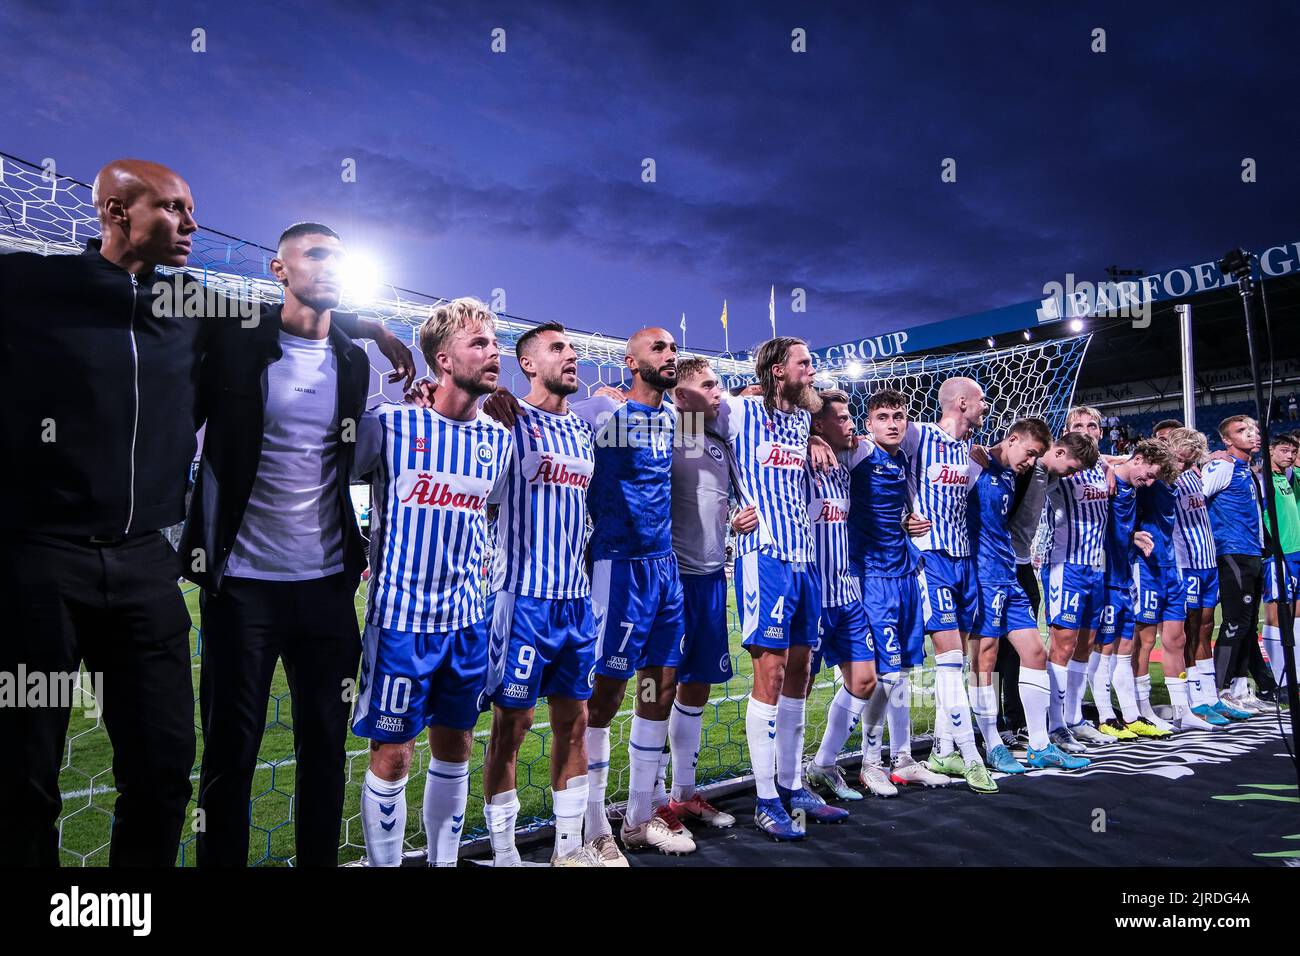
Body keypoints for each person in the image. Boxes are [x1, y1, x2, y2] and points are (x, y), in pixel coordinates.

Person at [0, 159, 411, 867]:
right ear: (115, 211)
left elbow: (291, 316)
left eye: (193, 209)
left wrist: (365, 322)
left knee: (164, 769)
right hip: (43, 557)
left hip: (145, 564)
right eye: (173, 208)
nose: (193, 224)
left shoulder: (194, 306)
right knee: (25, 773)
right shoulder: (34, 285)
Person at [186, 222, 372, 867]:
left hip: (326, 588)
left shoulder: (352, 359)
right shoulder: (234, 342)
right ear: (277, 269)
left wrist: (369, 331)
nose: (331, 266)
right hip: (243, 585)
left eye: (339, 258)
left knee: (325, 749)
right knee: (230, 753)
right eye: (315, 254)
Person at [351, 298, 513, 868]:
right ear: (443, 359)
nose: (494, 353)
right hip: (402, 622)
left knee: (457, 746)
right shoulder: (389, 425)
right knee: (392, 755)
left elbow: (488, 514)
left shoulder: (499, 438)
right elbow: (327, 480)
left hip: (469, 621)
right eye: (479, 344)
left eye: (495, 344)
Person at [476, 322, 603, 867]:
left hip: (576, 601)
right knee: (513, 724)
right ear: (526, 364)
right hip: (521, 599)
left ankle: (568, 852)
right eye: (558, 349)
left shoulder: (582, 430)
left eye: (573, 350)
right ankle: (505, 856)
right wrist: (490, 398)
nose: (571, 357)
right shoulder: (505, 421)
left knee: (574, 722)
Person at [712, 337, 848, 837]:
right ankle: (765, 799)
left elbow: (827, 421)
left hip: (805, 559)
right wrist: (728, 511)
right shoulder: (737, 411)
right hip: (763, 558)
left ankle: (791, 786)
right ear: (776, 371)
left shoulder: (801, 421)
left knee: (801, 670)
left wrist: (815, 435)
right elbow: (684, 437)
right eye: (805, 364)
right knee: (768, 675)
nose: (813, 371)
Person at [838, 389, 950, 793]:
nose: (893, 423)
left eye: (899, 416)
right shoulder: (860, 452)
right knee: (884, 676)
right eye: (883, 416)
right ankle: (870, 763)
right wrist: (819, 438)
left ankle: (903, 759)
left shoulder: (902, 456)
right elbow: (830, 444)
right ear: (869, 423)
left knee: (902, 673)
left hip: (905, 574)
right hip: (871, 578)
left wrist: (908, 522)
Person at [968, 418, 1090, 771]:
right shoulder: (981, 463)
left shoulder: (1015, 471)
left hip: (1012, 570)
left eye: (1036, 454)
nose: (1031, 461)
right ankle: (992, 740)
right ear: (1012, 439)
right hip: (984, 572)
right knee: (985, 657)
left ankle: (1038, 743)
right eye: (1030, 453)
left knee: (1034, 652)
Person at [901, 377, 997, 794]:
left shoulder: (970, 452)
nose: (986, 407)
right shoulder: (919, 434)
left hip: (964, 561)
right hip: (930, 558)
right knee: (952, 658)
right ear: (962, 402)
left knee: (953, 664)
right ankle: (972, 757)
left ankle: (942, 748)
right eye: (982, 401)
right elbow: (869, 446)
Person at [659, 358, 744, 830]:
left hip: (713, 577)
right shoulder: (665, 431)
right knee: (659, 686)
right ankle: (650, 801)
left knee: (698, 684)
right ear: (679, 393)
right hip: (672, 578)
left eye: (721, 386)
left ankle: (684, 794)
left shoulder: (718, 439)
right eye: (709, 385)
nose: (719, 393)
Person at [804, 391, 882, 800]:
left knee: (865, 679)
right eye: (841, 418)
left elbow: (886, 440)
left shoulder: (846, 464)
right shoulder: (799, 462)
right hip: (811, 594)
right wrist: (809, 440)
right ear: (818, 425)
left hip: (846, 592)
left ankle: (824, 764)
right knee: (795, 689)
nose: (850, 423)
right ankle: (786, 779)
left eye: (851, 416)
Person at [1165, 427, 1237, 728]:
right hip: (1186, 562)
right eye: (1181, 459)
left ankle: (1209, 695)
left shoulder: (1196, 476)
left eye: (1190, 459)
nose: (1184, 464)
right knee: (1190, 629)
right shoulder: (1165, 480)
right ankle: (1193, 699)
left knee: (1206, 626)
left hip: (1207, 559)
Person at [1203, 415, 1274, 711]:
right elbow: (1196, 497)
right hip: (1231, 551)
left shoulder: (1248, 471)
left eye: (1254, 429)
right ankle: (1216, 691)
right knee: (1234, 622)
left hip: (1252, 552)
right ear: (1227, 441)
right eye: (1242, 431)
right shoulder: (1222, 466)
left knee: (1246, 624)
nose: (1252, 435)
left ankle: (1240, 688)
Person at [1260, 434, 1300, 690]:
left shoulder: (1290, 477)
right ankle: (1280, 679)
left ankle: (1296, 673)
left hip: (1296, 552)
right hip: (1278, 553)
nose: (1290, 455)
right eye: (1284, 450)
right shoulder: (1263, 479)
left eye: (1293, 452)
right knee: (1275, 614)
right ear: (1270, 450)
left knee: (1297, 614)